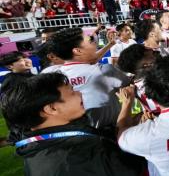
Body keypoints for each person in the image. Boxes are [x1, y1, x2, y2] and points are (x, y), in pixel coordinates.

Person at [0, 73, 145, 176]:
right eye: (72, 92)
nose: (80, 94)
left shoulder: (37, 144)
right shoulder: (86, 153)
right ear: (51, 108)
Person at [49, 27, 129, 128]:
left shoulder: (53, 76)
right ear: (77, 51)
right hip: (113, 132)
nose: (95, 43)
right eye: (90, 41)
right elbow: (130, 85)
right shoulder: (104, 70)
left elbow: (91, 60)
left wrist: (111, 44)